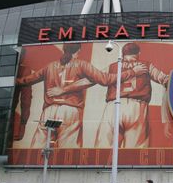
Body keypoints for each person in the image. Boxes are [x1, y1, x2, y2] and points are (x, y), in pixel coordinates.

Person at [16, 43, 146, 148]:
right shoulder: (82, 64)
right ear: (78, 50)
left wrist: (11, 81)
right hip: (70, 111)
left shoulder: (50, 66)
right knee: (67, 150)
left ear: (63, 50)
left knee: (39, 148)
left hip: (49, 112)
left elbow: (27, 80)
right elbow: (105, 80)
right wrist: (131, 72)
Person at [94, 43, 168, 148]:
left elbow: (94, 78)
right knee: (135, 152)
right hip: (136, 107)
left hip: (113, 107)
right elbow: (164, 79)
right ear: (138, 53)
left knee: (103, 150)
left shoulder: (112, 66)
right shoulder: (145, 65)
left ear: (123, 54)